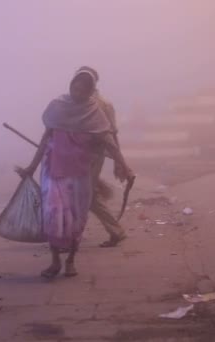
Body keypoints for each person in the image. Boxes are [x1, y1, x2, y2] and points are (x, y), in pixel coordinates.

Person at [16, 68, 134, 279]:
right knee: (52, 216)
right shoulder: (57, 107)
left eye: (82, 90)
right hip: (53, 172)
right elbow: (45, 140)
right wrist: (31, 168)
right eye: (74, 88)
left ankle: (70, 261)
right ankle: (54, 262)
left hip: (80, 174)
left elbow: (110, 142)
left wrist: (124, 166)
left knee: (76, 220)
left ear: (91, 91)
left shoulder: (96, 111)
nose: (77, 93)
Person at [75, 66, 128, 248]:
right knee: (84, 192)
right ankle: (71, 234)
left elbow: (112, 134)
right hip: (76, 154)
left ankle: (114, 230)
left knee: (86, 194)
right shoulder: (78, 101)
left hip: (92, 155)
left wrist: (119, 163)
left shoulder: (101, 104)